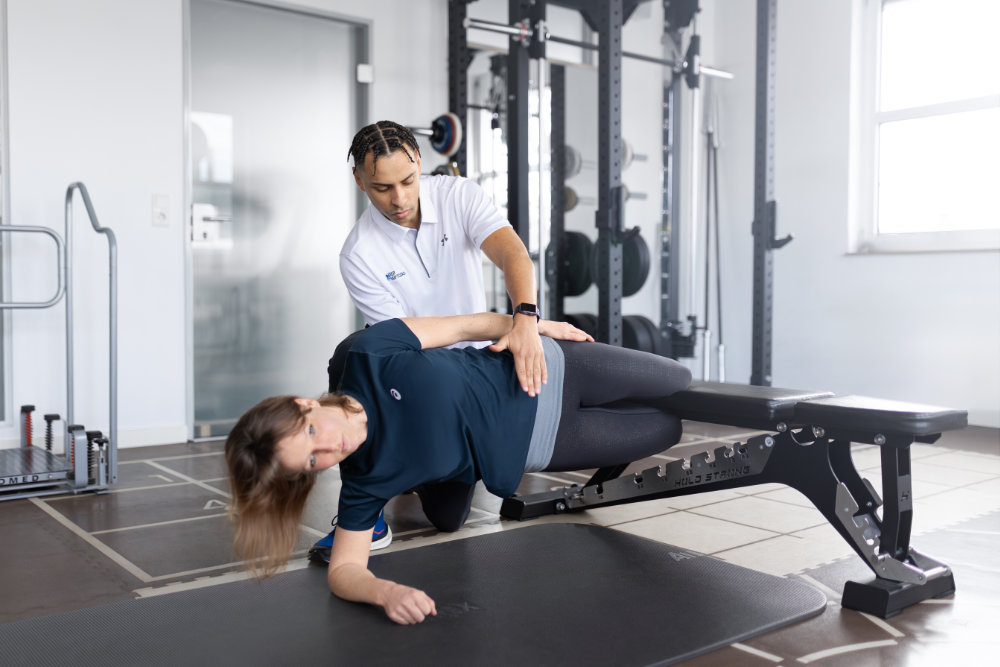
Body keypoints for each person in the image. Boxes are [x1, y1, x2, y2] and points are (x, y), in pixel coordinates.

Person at [225, 313, 692, 625]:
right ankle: (445, 478)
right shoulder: (364, 482)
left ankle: (444, 480)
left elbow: (465, 326)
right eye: (311, 462)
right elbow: (344, 569)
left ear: (303, 404)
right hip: (547, 441)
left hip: (551, 367)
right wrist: (383, 592)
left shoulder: (368, 354)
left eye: (310, 434)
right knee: (667, 429)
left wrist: (537, 327)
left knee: (679, 381)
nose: (329, 448)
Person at [315, 120, 547, 559]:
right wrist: (504, 324)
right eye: (382, 187)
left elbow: (511, 252)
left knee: (447, 517)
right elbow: (406, 344)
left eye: (407, 180)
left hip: (478, 371)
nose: (399, 199)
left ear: (420, 162)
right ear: (359, 180)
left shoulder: (458, 195)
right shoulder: (358, 253)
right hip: (421, 375)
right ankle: (371, 511)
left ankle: (414, 466)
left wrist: (527, 320)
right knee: (351, 355)